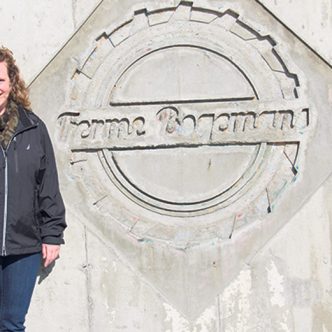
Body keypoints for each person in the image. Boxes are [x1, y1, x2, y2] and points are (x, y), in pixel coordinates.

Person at [0, 47, 66, 331]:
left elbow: (47, 185)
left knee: (11, 324)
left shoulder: (33, 128)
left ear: (11, 83)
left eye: (0, 80)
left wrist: (52, 234)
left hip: (23, 246)